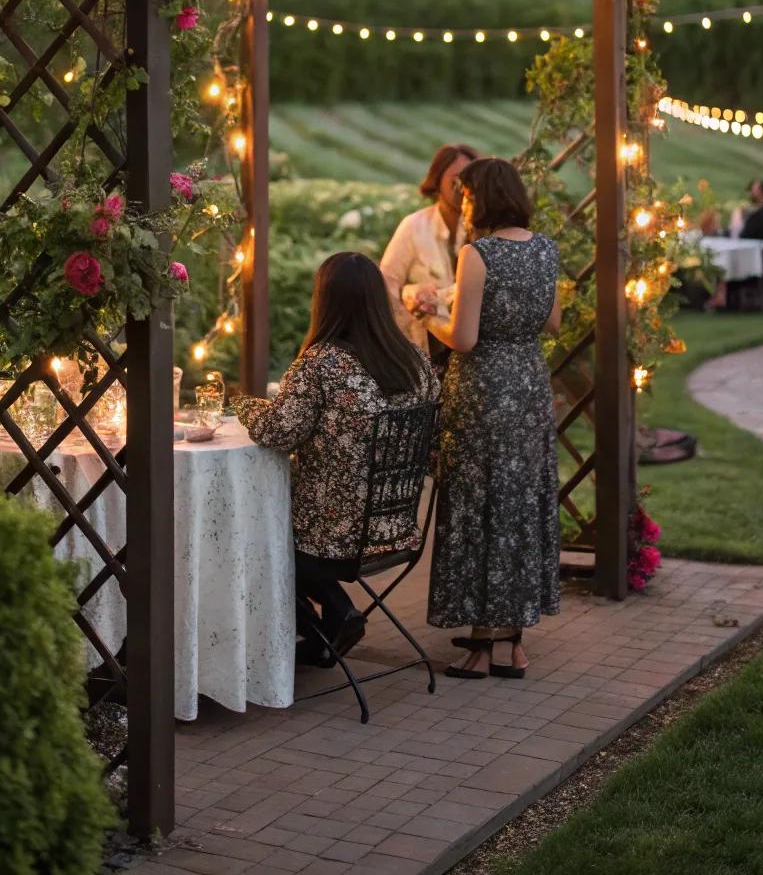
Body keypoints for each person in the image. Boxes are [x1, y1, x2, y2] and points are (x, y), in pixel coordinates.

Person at [234, 252, 438, 667]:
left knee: (249, 531)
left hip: (335, 537)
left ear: (324, 300)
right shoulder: (415, 360)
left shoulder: (322, 363)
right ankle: (327, 623)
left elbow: (277, 431)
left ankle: (331, 615)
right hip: (396, 527)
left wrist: (243, 406)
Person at [423, 157, 560, 681]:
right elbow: (551, 320)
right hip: (528, 386)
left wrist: (429, 319)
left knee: (480, 508)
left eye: (467, 196)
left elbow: (464, 339)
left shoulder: (476, 255)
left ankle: (482, 647)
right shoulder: (545, 249)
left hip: (483, 392)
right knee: (520, 505)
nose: (463, 205)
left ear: (482, 199)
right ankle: (514, 642)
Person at [380, 142, 479, 363]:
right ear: (437, 180)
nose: (462, 188)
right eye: (455, 180)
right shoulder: (414, 226)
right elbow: (387, 283)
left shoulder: (481, 229)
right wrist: (411, 297)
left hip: (470, 348)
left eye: (469, 180)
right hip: (424, 348)